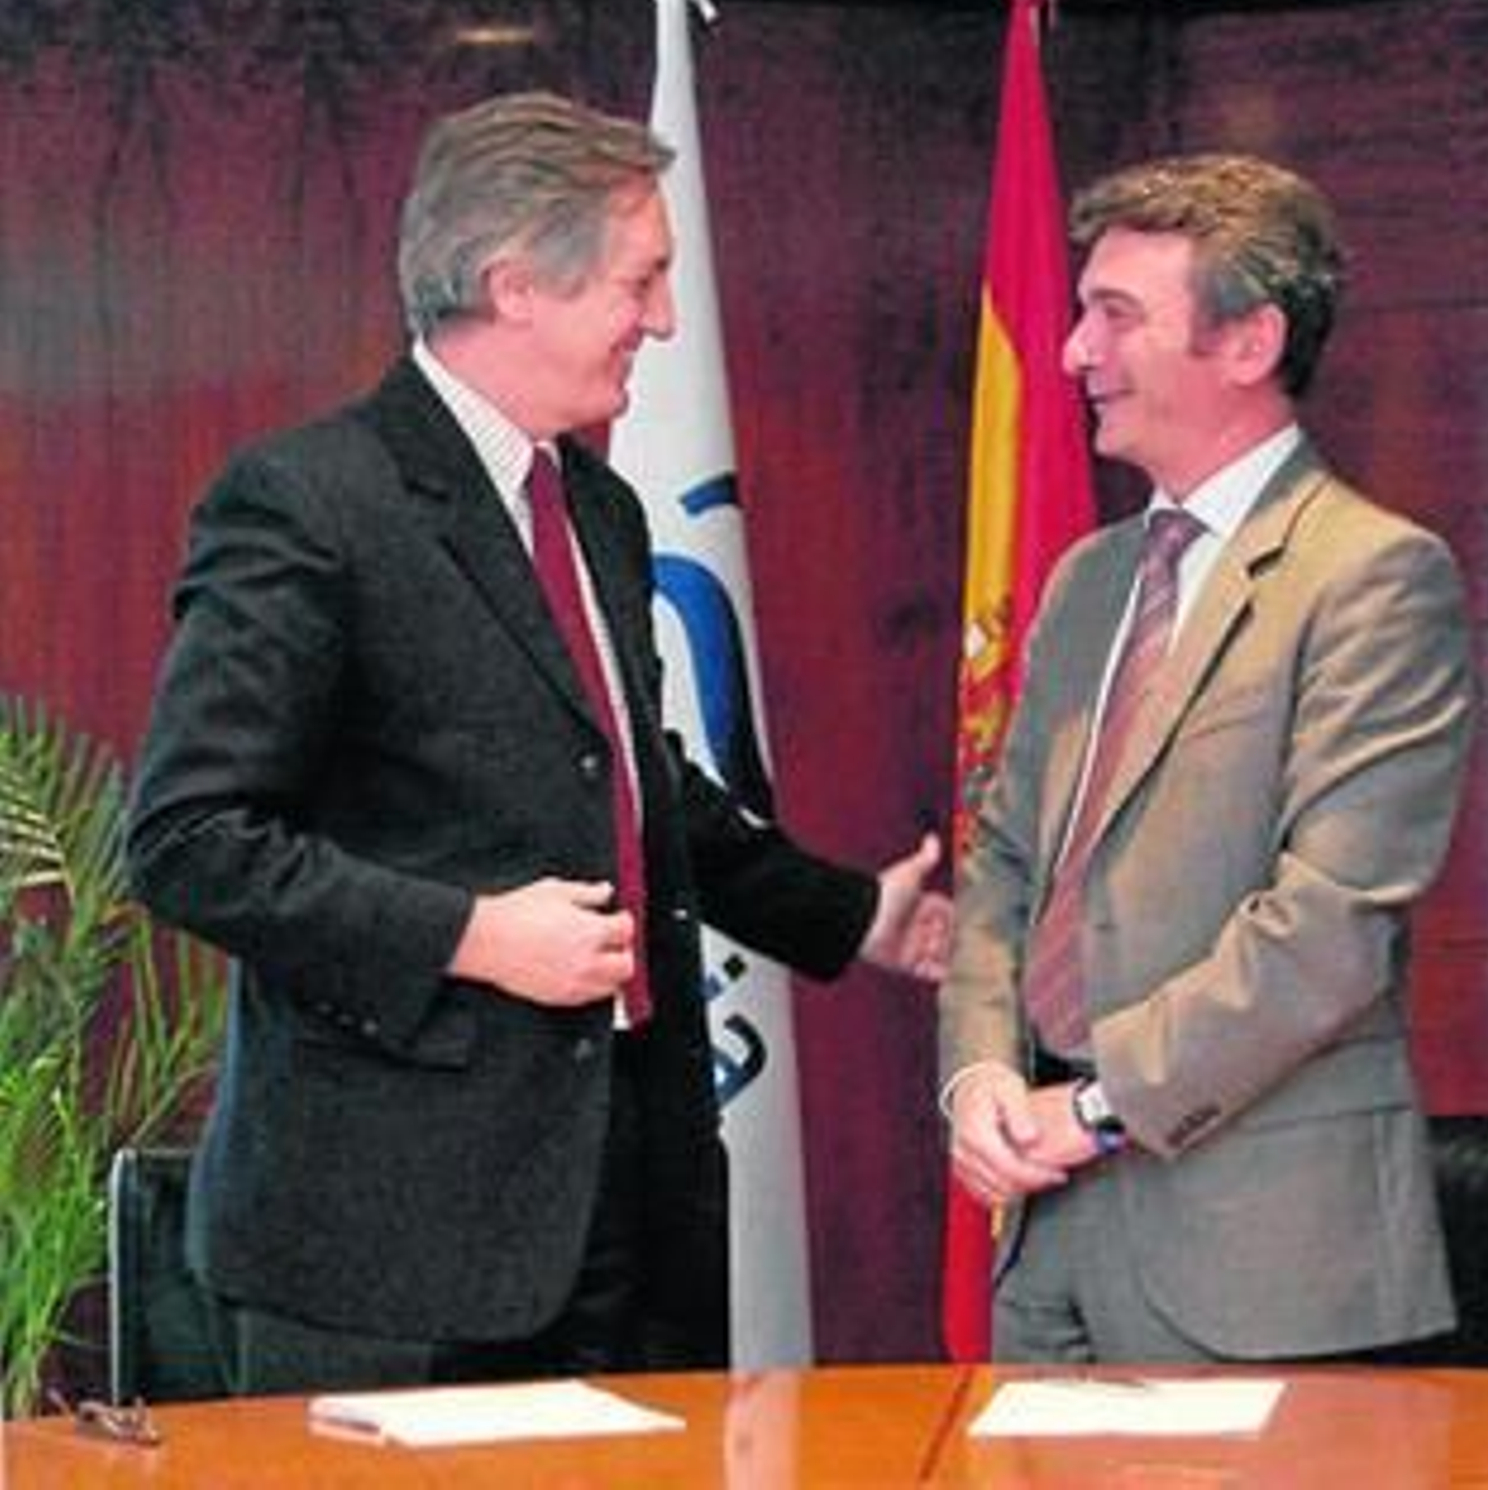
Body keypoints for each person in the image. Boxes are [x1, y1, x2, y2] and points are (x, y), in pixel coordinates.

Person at [126, 89, 950, 1395]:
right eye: (643, 279)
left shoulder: (600, 509)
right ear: (517, 284)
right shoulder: (308, 501)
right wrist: (472, 934)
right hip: (389, 1243)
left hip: (634, 1205)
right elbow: (189, 839)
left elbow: (629, 781)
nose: (666, 320)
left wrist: (847, 914)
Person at [939, 152, 1475, 1364]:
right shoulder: (1088, 582)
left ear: (1248, 343)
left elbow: (1329, 924)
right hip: (1045, 1235)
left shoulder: (1372, 577)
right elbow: (1007, 865)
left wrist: (1091, 1106)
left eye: (1114, 316)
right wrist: (975, 1078)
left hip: (1261, 1259)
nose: (1074, 351)